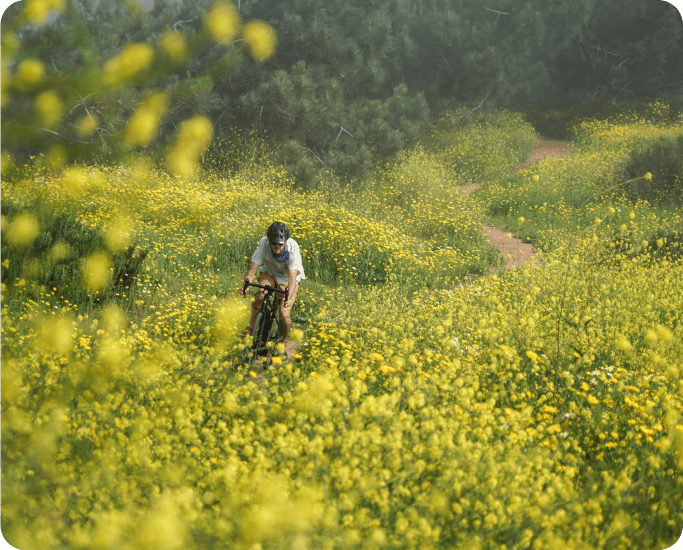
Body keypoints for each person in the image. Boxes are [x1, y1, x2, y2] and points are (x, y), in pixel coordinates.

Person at [239, 221, 305, 345]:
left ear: (285, 241)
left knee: (283, 313)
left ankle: (282, 341)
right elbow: (253, 269)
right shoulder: (264, 243)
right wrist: (245, 286)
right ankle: (251, 328)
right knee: (260, 296)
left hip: (287, 279)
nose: (277, 247)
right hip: (270, 273)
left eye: (280, 244)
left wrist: (289, 297)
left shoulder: (292, 247)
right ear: (269, 241)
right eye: (273, 244)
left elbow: (292, 277)